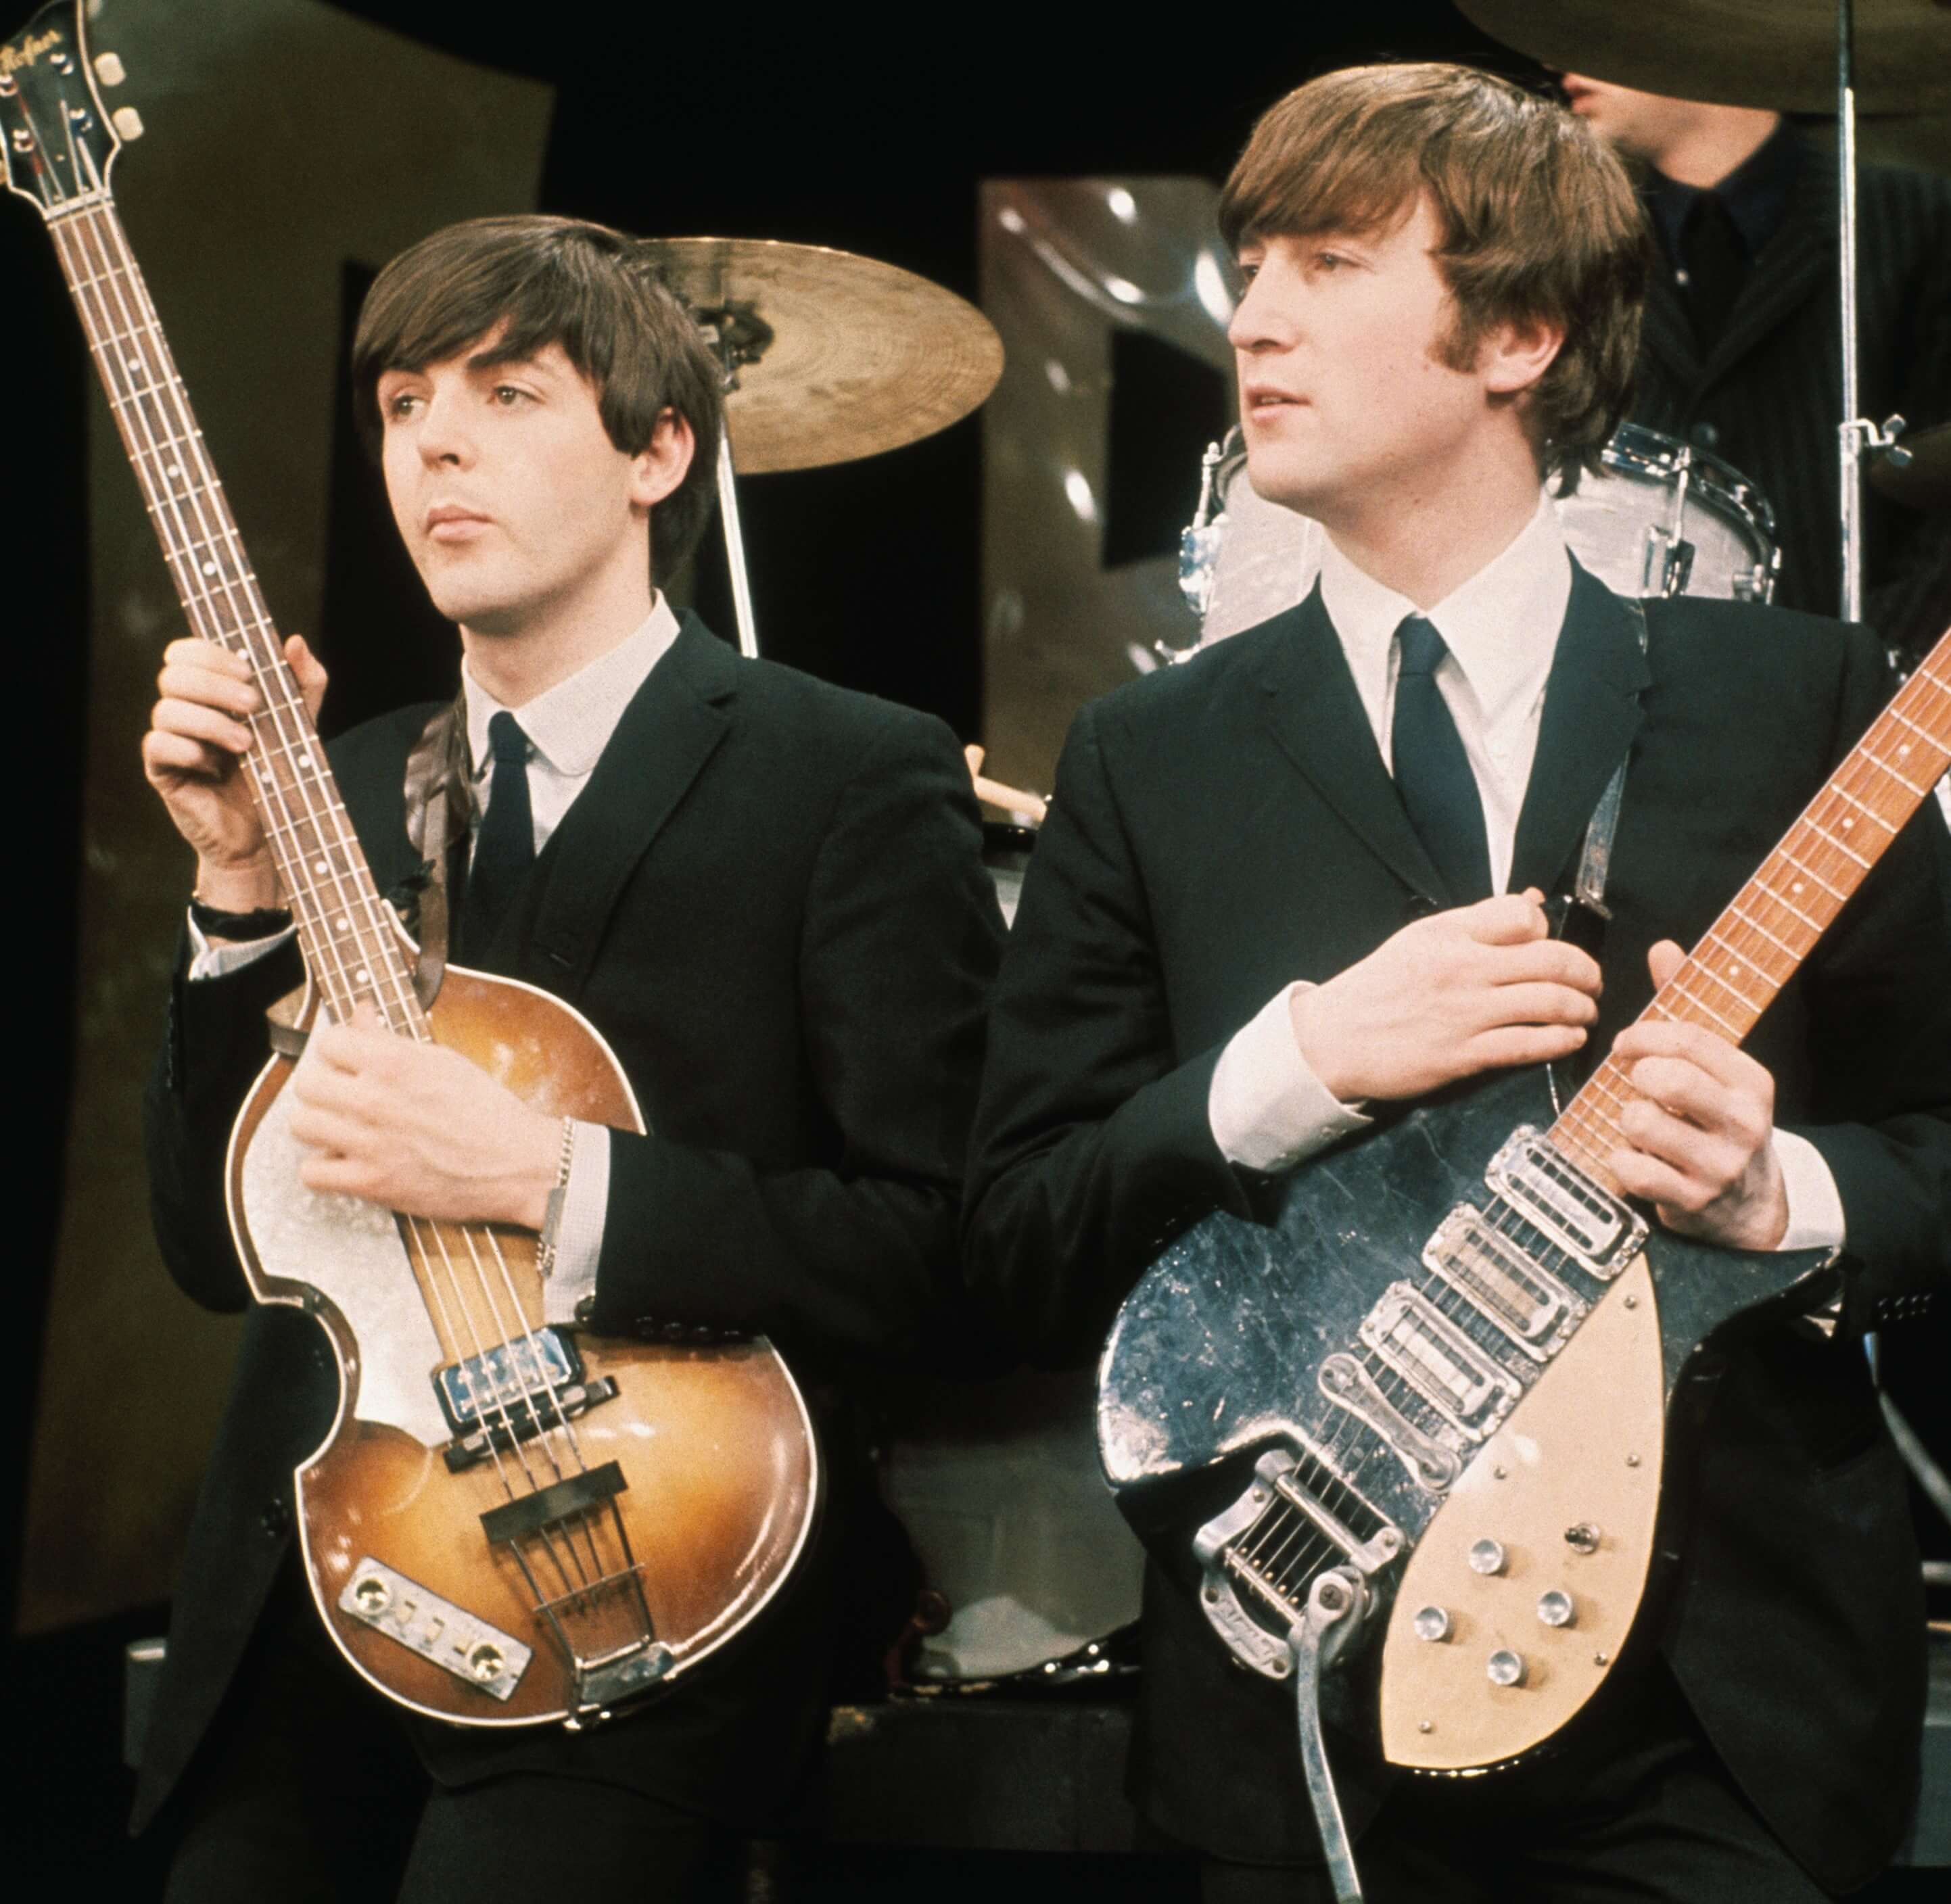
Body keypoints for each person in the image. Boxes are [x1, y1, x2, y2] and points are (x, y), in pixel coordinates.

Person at [963, 64, 1951, 1903]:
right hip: (1296, 1718)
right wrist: (1296, 1065)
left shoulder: (1797, 705)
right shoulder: (1144, 758)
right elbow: (1009, 1243)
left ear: (1519, 331)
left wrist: (1780, 1193)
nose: (1252, 314)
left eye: (1330, 264)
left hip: (1713, 1735)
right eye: (1249, 264)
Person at [135, 214, 1002, 1901]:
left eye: (510, 393)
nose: (437, 442)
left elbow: (951, 1245)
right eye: (403, 403)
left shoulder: (848, 776)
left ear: (657, 449)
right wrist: (235, 895)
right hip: (313, 1593)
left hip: (633, 1594)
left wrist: (544, 1178)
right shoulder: (337, 782)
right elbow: (209, 1249)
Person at [1559, 70, 1951, 663]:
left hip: (1862, 701)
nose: (1559, 59)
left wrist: (1868, 673)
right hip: (1628, 701)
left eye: (1601, 17)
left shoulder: (1914, 219)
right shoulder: (1574, 241)